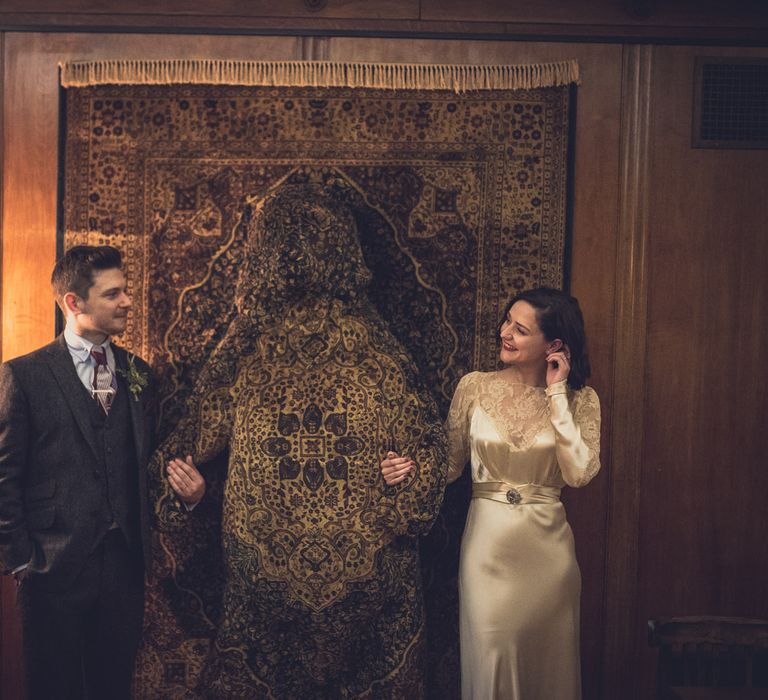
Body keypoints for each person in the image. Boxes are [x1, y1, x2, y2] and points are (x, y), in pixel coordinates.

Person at [152, 184, 446, 698]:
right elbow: (186, 448)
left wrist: (409, 472)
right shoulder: (372, 343)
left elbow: (426, 449)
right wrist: (187, 486)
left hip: (337, 571)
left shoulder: (257, 341)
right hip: (307, 570)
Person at [0, 245, 203, 700]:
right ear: (74, 303)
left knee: (112, 688)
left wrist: (190, 495)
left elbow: (152, 466)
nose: (128, 302)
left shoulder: (139, 374)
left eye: (125, 292)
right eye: (114, 294)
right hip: (50, 568)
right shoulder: (24, 376)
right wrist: (20, 559)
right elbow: (4, 477)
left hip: (123, 568)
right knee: (52, 690)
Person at [382, 287, 601, 699]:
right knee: (492, 656)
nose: (505, 333)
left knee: (547, 669)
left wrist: (557, 395)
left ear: (553, 345)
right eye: (506, 321)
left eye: (520, 329)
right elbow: (447, 465)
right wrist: (406, 469)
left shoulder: (581, 401)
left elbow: (578, 474)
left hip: (548, 556)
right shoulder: (474, 388)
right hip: (487, 551)